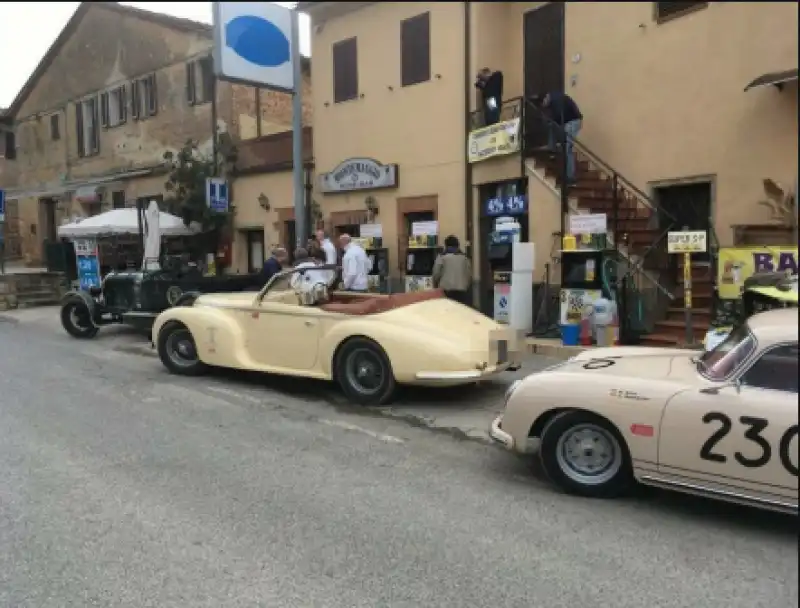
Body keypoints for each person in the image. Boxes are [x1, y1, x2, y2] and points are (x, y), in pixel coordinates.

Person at [534, 91, 583, 184]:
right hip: (569, 121)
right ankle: (552, 147)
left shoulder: (557, 100)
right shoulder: (554, 99)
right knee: (553, 125)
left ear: (546, 98)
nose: (544, 106)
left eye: (543, 103)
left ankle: (570, 177)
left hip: (573, 121)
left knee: (567, 148)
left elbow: (560, 117)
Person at [432, 236, 472, 306]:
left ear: (446, 245)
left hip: (446, 290)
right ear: (457, 245)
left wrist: (435, 284)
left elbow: (436, 273)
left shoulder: (441, 257)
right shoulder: (465, 258)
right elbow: (469, 275)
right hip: (462, 291)